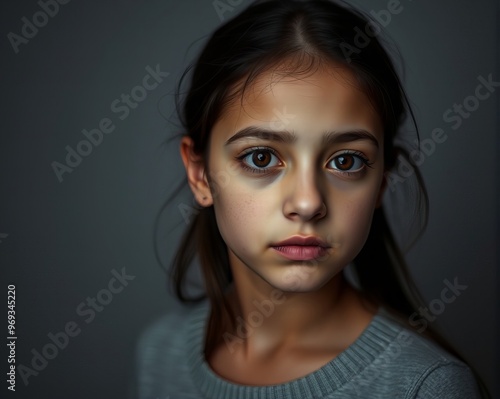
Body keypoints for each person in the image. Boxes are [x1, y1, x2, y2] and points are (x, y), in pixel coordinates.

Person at [134, 0, 490, 398]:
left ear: (382, 180)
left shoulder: (428, 387)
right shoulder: (159, 352)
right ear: (200, 174)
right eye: (262, 157)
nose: (307, 203)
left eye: (346, 160)